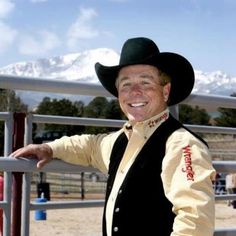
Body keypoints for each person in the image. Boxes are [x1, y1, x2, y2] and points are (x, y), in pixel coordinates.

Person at [11, 37, 216, 236]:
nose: (135, 92)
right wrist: (50, 148)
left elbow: (195, 221)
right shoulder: (121, 140)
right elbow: (89, 146)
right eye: (125, 84)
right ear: (118, 93)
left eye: (146, 82)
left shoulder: (182, 145)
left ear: (165, 91)